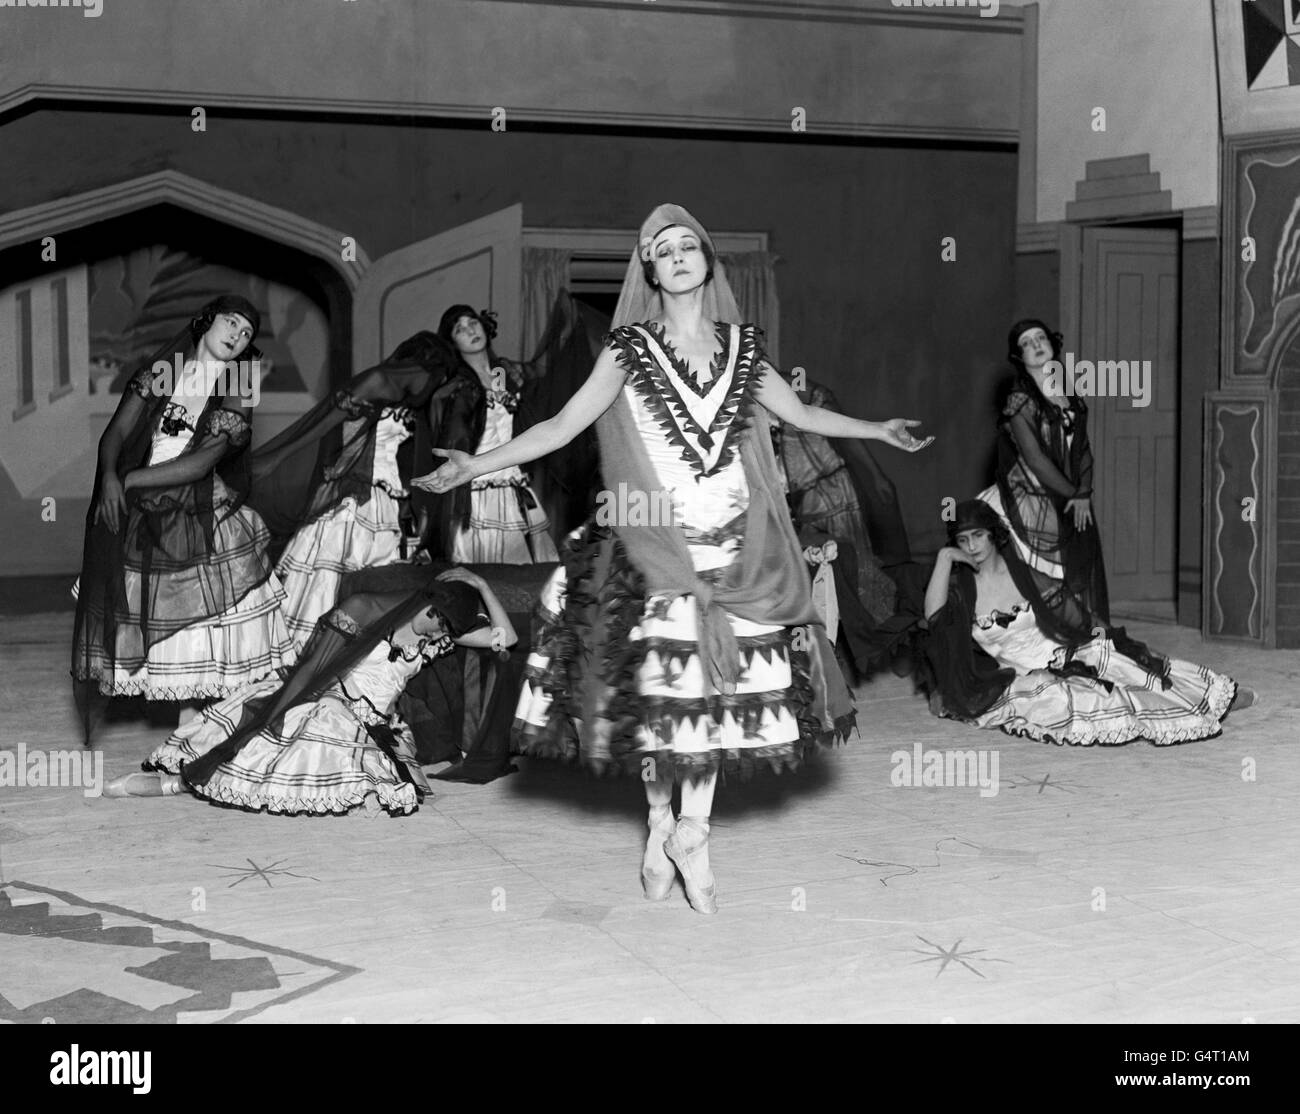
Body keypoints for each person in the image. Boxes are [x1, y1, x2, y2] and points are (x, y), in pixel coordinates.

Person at [415, 204, 934, 913]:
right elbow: (563, 424)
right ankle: (662, 821)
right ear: (649, 269)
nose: (680, 255)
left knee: (715, 703)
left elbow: (802, 415)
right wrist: (475, 466)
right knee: (666, 705)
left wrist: (877, 428)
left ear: (709, 263)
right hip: (654, 549)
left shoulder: (745, 349)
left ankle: (694, 828)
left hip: (736, 550)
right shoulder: (628, 349)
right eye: (665, 249)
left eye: (691, 245)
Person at [101, 569, 516, 814]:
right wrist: (272, 714)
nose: (443, 634)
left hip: (377, 722)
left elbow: (506, 639)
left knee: (367, 784)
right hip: (330, 701)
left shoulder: (441, 635)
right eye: (441, 623)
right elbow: (312, 670)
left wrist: (479, 583)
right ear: (428, 606)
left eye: (449, 630)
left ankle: (180, 785)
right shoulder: (366, 611)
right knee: (276, 747)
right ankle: (174, 784)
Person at [72, 295, 293, 736]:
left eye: (247, 333)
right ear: (207, 322)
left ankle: (192, 731)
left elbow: (202, 461)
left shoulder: (239, 382)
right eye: (231, 323)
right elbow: (115, 432)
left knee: (195, 625)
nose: (237, 335)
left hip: (197, 508)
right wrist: (112, 478)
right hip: (145, 503)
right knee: (153, 617)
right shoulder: (162, 372)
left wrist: (132, 480)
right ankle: (189, 729)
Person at [915, 500, 1250, 744]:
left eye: (978, 536)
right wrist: (944, 559)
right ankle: (1187, 704)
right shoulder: (961, 589)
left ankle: (1211, 694)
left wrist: (1114, 641)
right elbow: (934, 618)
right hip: (1025, 678)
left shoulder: (1022, 574)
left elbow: (1073, 613)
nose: (972, 546)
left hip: (1064, 652)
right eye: (963, 540)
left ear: (993, 535)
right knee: (1086, 702)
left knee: (1120, 663)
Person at [246, 330, 460, 649]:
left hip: (388, 501)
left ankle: (346, 657)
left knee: (376, 583)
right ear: (430, 367)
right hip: (354, 500)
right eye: (439, 379)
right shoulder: (376, 380)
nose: (436, 388)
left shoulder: (410, 403)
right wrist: (277, 457)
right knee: (326, 580)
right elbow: (323, 424)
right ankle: (306, 653)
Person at [978, 318, 1109, 624]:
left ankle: (1085, 636)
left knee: (1079, 567)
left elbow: (1084, 449)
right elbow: (1035, 459)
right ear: (1018, 357)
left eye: (1041, 338)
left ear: (1053, 344)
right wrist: (1074, 495)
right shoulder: (1019, 400)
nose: (1036, 345)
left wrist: (1084, 493)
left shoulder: (1069, 394)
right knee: (1043, 581)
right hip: (1030, 494)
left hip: (1069, 493)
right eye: (1027, 343)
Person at [423, 305, 560, 564]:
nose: (470, 330)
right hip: (477, 488)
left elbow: (541, 375)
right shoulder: (457, 385)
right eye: (459, 329)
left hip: (513, 482)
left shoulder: (501, 373)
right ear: (453, 342)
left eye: (472, 322)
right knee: (487, 568)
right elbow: (450, 438)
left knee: (527, 571)